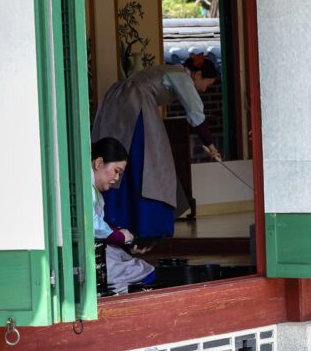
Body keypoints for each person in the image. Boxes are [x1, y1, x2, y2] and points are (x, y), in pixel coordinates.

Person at [91, 56, 222, 237]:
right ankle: (147, 227)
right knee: (152, 164)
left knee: (120, 163)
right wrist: (210, 144)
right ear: (198, 74)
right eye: (206, 84)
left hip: (116, 102)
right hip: (136, 102)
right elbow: (195, 113)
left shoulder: (169, 70)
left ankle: (117, 221)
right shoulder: (182, 76)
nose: (204, 89)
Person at [91, 137, 155, 294]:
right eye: (116, 171)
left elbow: (101, 224)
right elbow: (92, 225)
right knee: (144, 272)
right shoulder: (85, 187)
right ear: (98, 163)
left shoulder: (96, 192)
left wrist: (125, 238)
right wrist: (121, 237)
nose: (117, 178)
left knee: (139, 267)